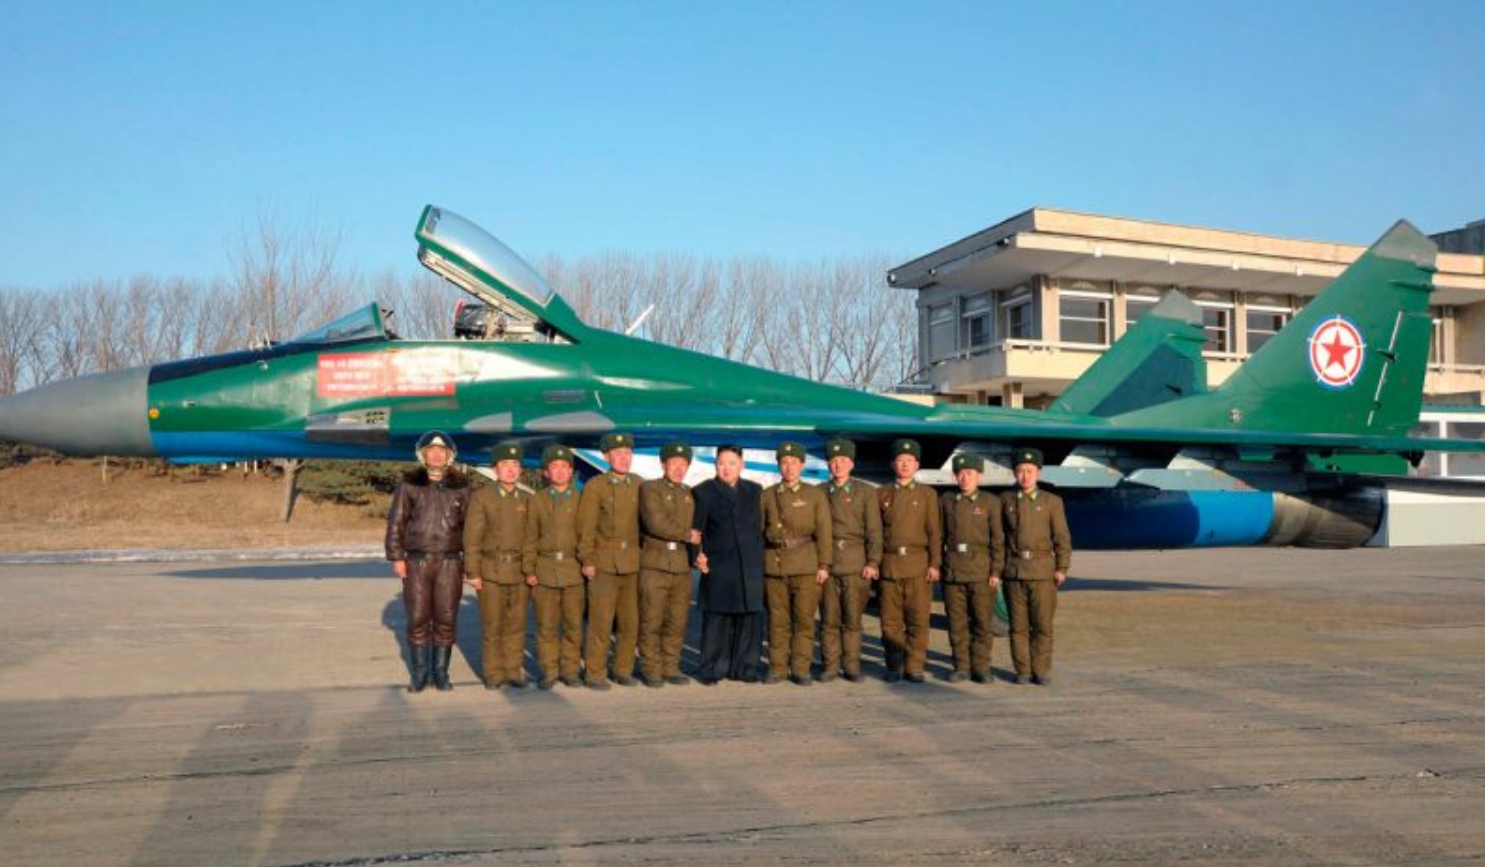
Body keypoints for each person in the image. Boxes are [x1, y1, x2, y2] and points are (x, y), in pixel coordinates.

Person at [385, 431, 473, 693]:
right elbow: (396, 522)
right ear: (422, 455)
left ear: (449, 455)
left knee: (446, 617)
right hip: (417, 561)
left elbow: (472, 528)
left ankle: (441, 673)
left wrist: (471, 563)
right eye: (431, 450)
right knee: (418, 617)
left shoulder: (462, 486)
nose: (436, 454)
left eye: (442, 450)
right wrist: (396, 556)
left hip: (450, 561)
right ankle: (420, 674)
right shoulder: (409, 484)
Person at [690, 444, 766, 684]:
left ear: (741, 464)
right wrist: (697, 554)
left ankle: (745, 668)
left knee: (748, 619)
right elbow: (695, 531)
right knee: (717, 620)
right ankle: (712, 669)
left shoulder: (755, 491)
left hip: (749, 565)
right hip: (720, 565)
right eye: (722, 463)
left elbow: (761, 526)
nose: (726, 468)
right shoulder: (703, 492)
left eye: (732, 463)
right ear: (715, 465)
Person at [761, 441, 833, 685]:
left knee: (803, 620)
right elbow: (760, 531)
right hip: (775, 565)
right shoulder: (768, 495)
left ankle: (800, 668)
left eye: (794, 463)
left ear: (802, 465)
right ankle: (777, 667)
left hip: (805, 565)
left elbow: (824, 531)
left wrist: (824, 565)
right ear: (779, 466)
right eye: (784, 463)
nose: (789, 467)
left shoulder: (814, 495)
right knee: (777, 621)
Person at [1000, 447, 1072, 686]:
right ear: (1014, 473)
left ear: (1038, 473)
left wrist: (1062, 567)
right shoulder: (1005, 501)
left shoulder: (1052, 502)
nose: (1025, 476)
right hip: (1014, 570)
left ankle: (1040, 670)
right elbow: (999, 539)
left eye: (1029, 471)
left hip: (1042, 571)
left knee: (1042, 625)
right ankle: (1022, 670)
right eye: (1020, 471)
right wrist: (998, 569)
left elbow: (1061, 537)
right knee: (1018, 626)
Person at [463, 441, 532, 690]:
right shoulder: (482, 497)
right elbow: (472, 537)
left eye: (515, 465)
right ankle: (493, 673)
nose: (510, 470)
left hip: (520, 571)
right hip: (491, 570)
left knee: (516, 625)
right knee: (493, 625)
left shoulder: (527, 498)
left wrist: (531, 570)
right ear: (495, 469)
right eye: (505, 465)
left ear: (521, 470)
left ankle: (513, 671)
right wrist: (472, 572)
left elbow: (532, 538)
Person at [577, 432, 642, 690]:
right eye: (617, 453)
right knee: (601, 622)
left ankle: (623, 670)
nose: (623, 458)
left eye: (627, 453)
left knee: (630, 622)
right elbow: (586, 528)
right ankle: (594, 672)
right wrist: (587, 559)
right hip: (604, 564)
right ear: (606, 456)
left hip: (633, 563)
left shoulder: (639, 484)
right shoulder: (596, 486)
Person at [877, 438, 941, 683]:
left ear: (917, 465)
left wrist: (934, 564)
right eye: (900, 460)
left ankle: (914, 666)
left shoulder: (927, 494)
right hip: (890, 565)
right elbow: (875, 531)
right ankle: (894, 665)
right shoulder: (881, 494)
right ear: (893, 464)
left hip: (917, 565)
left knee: (918, 620)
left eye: (909, 461)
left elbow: (934, 532)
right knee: (890, 621)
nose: (904, 465)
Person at [521, 444, 585, 690]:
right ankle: (548, 671)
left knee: (573, 625)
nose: (559, 472)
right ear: (546, 472)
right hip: (545, 569)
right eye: (554, 467)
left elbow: (588, 535)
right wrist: (529, 569)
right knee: (546, 626)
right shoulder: (537, 500)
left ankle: (570, 671)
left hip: (573, 569)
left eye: (564, 467)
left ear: (571, 471)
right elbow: (530, 537)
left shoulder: (582, 499)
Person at [819, 438, 882, 683]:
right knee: (829, 619)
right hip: (829, 563)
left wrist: (873, 562)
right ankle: (830, 666)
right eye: (833, 461)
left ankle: (852, 665)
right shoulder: (820, 491)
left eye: (843, 460)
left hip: (856, 564)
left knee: (853, 620)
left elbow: (874, 531)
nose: (838, 465)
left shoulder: (865, 492)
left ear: (852, 464)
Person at [940, 453, 1005, 684]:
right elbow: (939, 537)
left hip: (981, 572)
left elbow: (998, 540)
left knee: (982, 623)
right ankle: (961, 666)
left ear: (979, 476)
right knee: (956, 623)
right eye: (961, 474)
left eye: (970, 474)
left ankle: (981, 668)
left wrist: (996, 572)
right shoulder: (947, 501)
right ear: (955, 476)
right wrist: (940, 567)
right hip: (954, 571)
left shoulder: (990, 502)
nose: (965, 478)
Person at [638, 442, 697, 687]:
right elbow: (655, 524)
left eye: (684, 464)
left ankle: (670, 666)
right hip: (655, 564)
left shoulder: (689, 493)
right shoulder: (650, 489)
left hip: (681, 566)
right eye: (674, 463)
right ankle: (651, 668)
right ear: (663, 464)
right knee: (652, 619)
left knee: (677, 619)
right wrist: (687, 535)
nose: (679, 468)